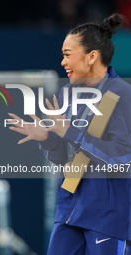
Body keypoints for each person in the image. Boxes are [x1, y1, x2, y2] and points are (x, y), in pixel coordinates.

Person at [9, 13, 131, 254]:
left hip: (108, 217)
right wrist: (48, 140)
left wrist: (70, 132)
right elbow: (67, 157)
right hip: (69, 211)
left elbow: (122, 159)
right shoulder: (67, 93)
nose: (63, 62)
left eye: (67, 55)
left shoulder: (121, 94)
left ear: (92, 56)